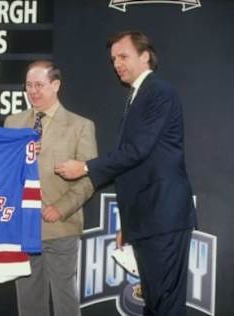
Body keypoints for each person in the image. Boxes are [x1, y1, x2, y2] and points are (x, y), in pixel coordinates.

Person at [54, 31, 197, 316]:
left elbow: (137, 151)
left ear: (145, 56)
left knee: (165, 304)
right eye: (113, 59)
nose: (117, 64)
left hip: (163, 217)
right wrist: (130, 224)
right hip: (149, 219)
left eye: (123, 56)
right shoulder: (138, 94)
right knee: (156, 303)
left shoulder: (158, 91)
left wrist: (84, 167)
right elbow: (137, 165)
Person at [4, 60, 97, 316]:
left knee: (65, 300)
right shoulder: (12, 123)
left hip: (61, 227)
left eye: (39, 85)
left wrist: (61, 208)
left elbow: (89, 180)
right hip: (23, 228)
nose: (33, 91)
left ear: (56, 85)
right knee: (29, 301)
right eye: (28, 85)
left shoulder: (81, 127)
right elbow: (3, 173)